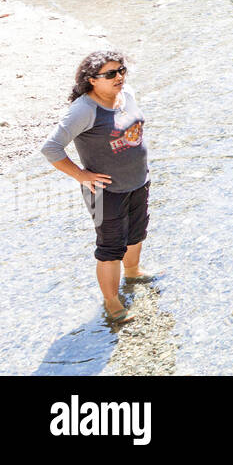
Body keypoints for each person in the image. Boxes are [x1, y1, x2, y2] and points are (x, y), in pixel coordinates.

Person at [40, 51, 153, 324]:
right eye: (111, 74)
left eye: (122, 70)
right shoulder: (84, 110)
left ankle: (134, 272)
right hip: (107, 193)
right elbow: (51, 148)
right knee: (110, 247)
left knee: (137, 233)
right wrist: (81, 175)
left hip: (138, 181)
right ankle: (112, 303)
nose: (120, 77)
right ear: (91, 80)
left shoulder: (127, 94)